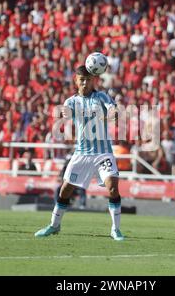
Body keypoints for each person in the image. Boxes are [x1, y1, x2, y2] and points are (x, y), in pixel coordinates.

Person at [35, 65, 124, 241]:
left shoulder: (101, 97)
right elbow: (64, 115)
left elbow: (115, 112)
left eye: (88, 79)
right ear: (76, 80)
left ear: (93, 81)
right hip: (82, 153)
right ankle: (54, 225)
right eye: (81, 79)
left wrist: (109, 115)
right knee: (65, 190)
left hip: (103, 153)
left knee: (112, 188)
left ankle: (116, 229)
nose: (84, 82)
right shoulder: (71, 101)